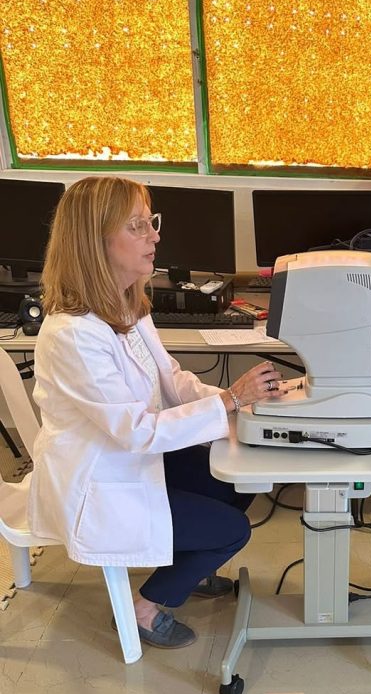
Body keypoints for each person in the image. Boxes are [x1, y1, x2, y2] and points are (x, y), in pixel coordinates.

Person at [28, 176, 288, 649]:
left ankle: (191, 562)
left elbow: (171, 378)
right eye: (137, 226)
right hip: (99, 479)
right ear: (94, 241)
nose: (155, 235)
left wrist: (236, 399)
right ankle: (144, 608)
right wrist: (229, 402)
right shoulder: (73, 334)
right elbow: (136, 432)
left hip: (133, 459)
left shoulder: (128, 305)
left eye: (152, 222)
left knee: (242, 478)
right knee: (232, 531)